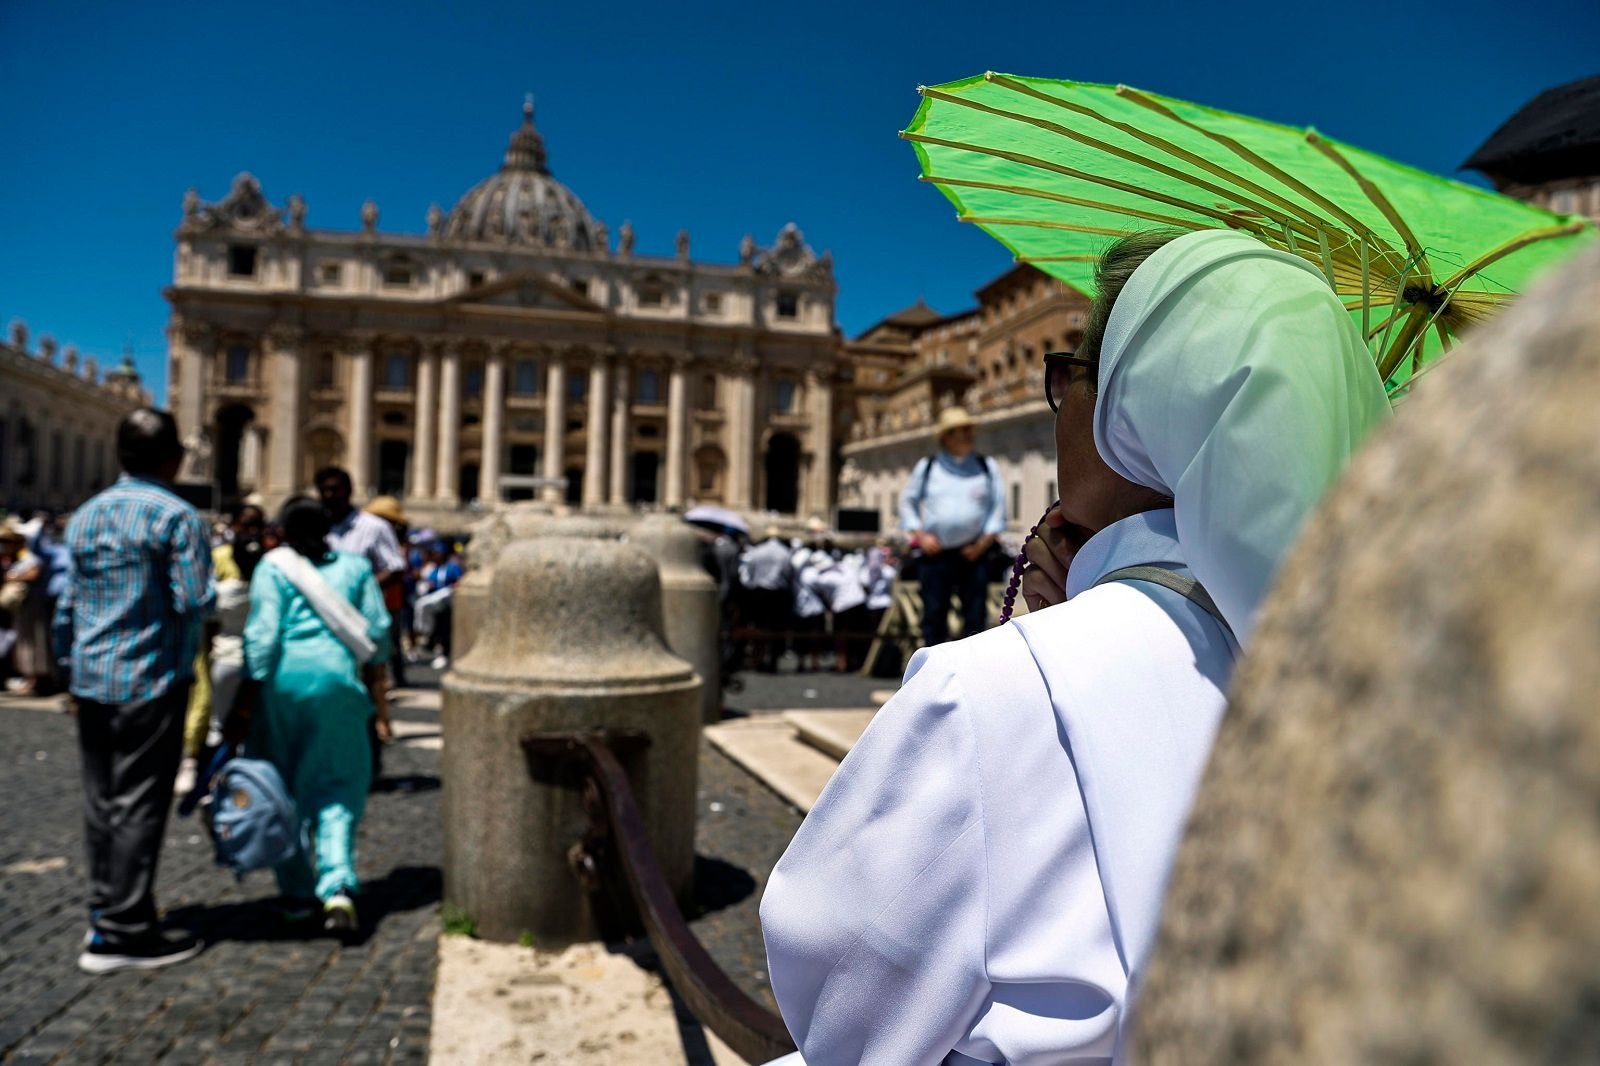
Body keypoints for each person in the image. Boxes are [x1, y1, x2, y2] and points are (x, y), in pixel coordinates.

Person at [759, 229, 1392, 1063]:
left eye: (1069, 376)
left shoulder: (986, 694)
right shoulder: (1393, 690)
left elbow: (845, 1022)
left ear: (1132, 405)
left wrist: (1047, 639)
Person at [54, 408, 214, 974]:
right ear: (172, 457)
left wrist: (70, 665)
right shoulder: (177, 516)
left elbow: (67, 606)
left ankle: (106, 913)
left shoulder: (86, 516)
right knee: (141, 803)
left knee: (101, 804)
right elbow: (194, 601)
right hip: (150, 678)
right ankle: (126, 930)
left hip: (92, 679)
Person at [237, 496, 392, 936]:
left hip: (285, 683)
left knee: (283, 783)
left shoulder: (273, 566)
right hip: (339, 681)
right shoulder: (356, 567)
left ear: (283, 529)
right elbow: (377, 632)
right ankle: (338, 884)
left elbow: (263, 634)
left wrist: (252, 690)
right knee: (340, 782)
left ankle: (296, 892)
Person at [898, 406, 1007, 646]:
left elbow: (998, 508)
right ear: (947, 436)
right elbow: (908, 502)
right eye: (963, 429)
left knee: (975, 618)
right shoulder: (928, 467)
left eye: (970, 429)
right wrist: (921, 536)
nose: (970, 434)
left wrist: (983, 543)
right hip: (936, 554)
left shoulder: (986, 466)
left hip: (973, 554)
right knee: (934, 616)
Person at [739, 527, 795, 672]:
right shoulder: (785, 553)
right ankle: (773, 661)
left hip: (759, 592)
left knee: (758, 627)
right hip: (778, 593)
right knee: (776, 629)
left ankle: (758, 659)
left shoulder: (757, 551)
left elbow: (748, 572)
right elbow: (789, 573)